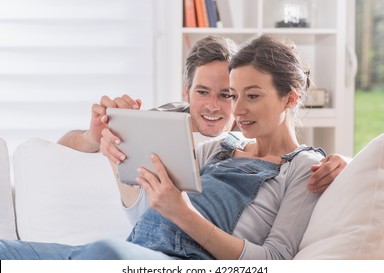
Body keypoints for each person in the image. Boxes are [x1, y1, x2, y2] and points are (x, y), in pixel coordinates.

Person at [1, 34, 329, 260]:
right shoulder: (218, 147)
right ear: (187, 92)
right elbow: (150, 220)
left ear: (290, 98)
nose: (236, 109)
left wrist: (183, 213)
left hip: (179, 263)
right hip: (142, 250)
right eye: (235, 94)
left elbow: (275, 261)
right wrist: (119, 159)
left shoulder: (305, 166)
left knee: (106, 253)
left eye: (250, 96)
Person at [57, 35, 346, 196]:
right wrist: (92, 137)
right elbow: (58, 147)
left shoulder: (250, 133)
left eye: (226, 94)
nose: (213, 106)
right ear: (187, 91)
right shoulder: (164, 121)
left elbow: (296, 156)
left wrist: (343, 163)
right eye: (202, 92)